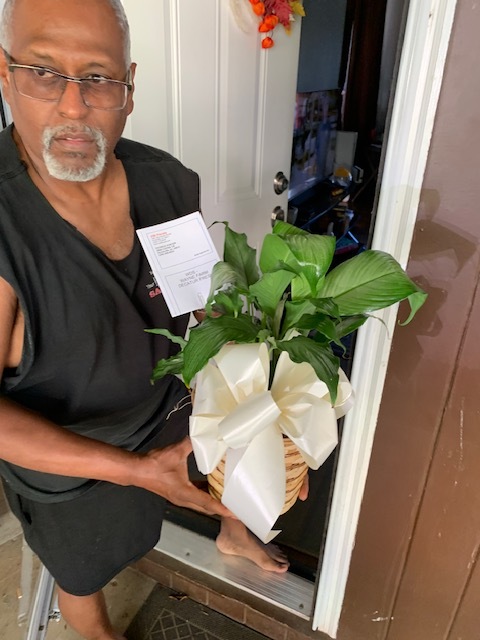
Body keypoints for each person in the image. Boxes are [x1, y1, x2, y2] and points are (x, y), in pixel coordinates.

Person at [0, 1, 300, 639]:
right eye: (44, 72)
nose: (74, 105)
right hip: (73, 464)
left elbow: (200, 299)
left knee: (232, 461)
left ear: (128, 88)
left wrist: (261, 392)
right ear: (5, 74)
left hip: (170, 406)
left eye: (98, 77)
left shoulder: (165, 183)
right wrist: (137, 472)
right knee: (83, 571)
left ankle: (233, 531)